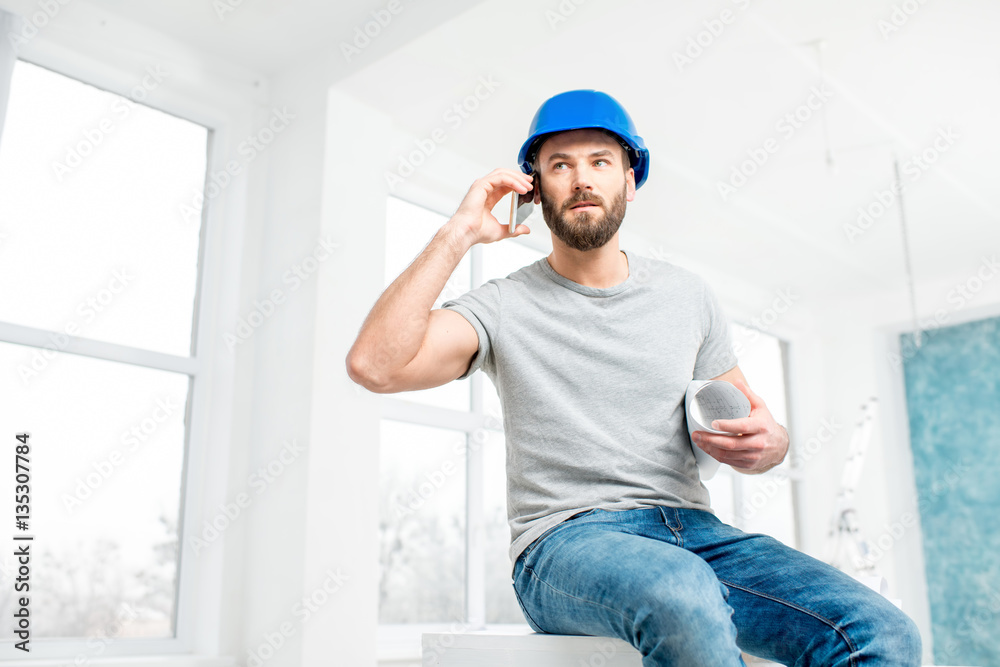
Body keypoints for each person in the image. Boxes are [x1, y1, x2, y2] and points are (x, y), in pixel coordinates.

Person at [346, 90, 922, 666]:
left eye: (599, 162)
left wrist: (772, 443)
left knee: (882, 632)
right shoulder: (501, 306)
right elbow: (374, 365)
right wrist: (459, 233)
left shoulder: (687, 296)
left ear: (630, 180)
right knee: (681, 592)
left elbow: (753, 422)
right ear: (534, 190)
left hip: (698, 535)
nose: (581, 179)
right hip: (565, 545)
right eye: (559, 165)